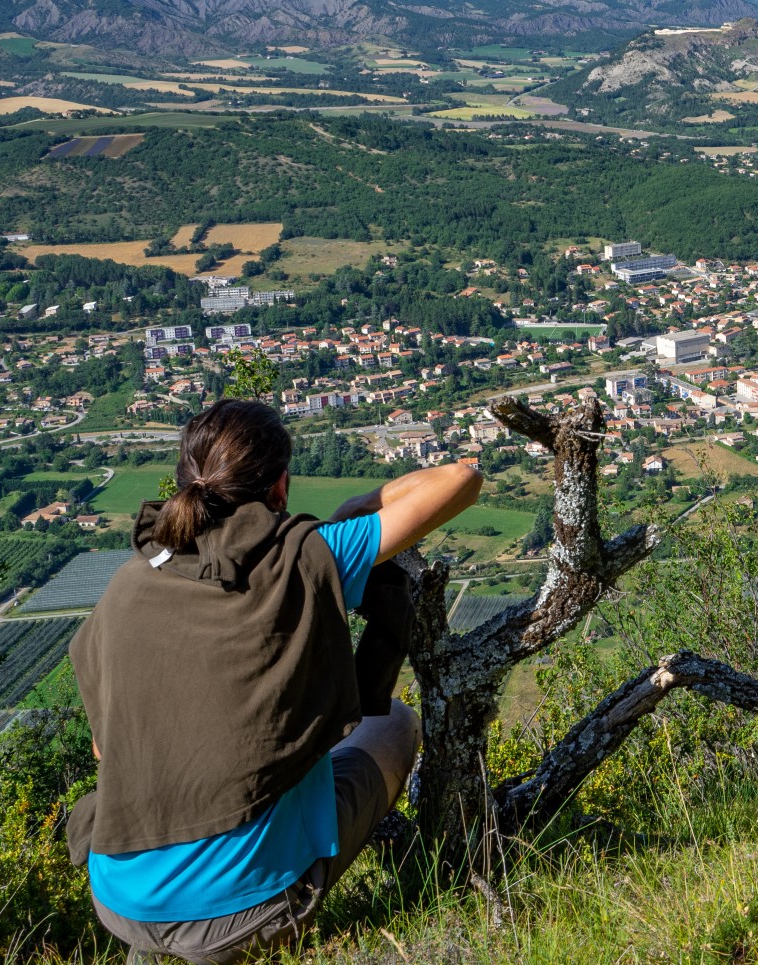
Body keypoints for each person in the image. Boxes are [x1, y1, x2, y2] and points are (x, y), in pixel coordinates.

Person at [67, 398, 482, 963]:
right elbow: (460, 480)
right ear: (280, 488)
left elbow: (102, 748)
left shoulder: (128, 585)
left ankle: (157, 940)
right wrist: (357, 510)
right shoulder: (309, 557)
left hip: (118, 901)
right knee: (397, 727)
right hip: (244, 916)